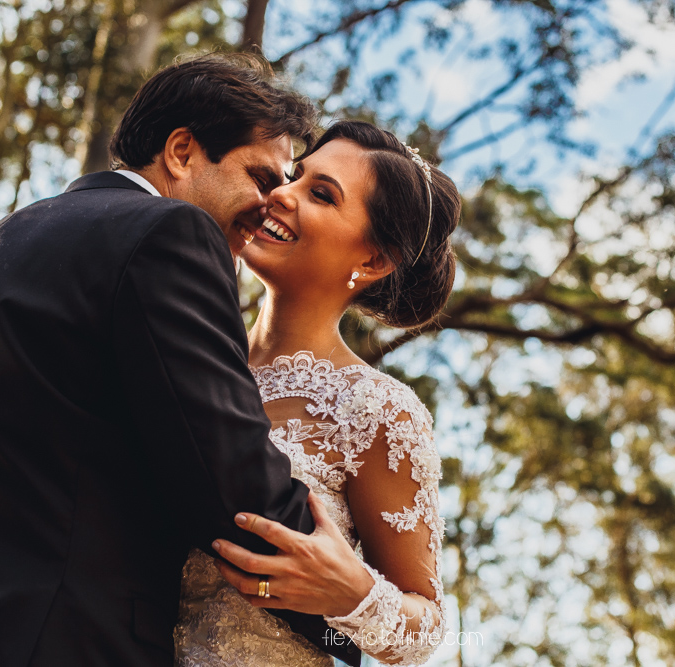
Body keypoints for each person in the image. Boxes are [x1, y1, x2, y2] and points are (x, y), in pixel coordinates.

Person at [0, 54, 359, 667]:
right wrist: (354, 622)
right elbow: (231, 486)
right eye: (262, 178)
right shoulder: (166, 234)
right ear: (181, 151)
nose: (271, 206)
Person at [174, 121, 462, 666]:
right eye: (295, 176)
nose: (281, 193)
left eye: (321, 195)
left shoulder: (376, 413)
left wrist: (353, 595)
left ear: (374, 260)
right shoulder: (184, 353)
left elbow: (427, 627)